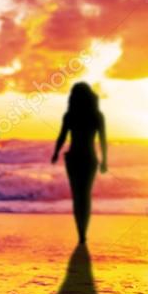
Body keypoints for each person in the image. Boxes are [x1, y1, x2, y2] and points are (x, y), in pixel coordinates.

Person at [50, 82, 107, 244]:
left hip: (73, 158)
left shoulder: (70, 115)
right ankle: (84, 231)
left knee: (77, 196)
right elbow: (102, 140)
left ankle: (80, 231)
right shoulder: (97, 115)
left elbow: (62, 136)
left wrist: (55, 153)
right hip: (89, 158)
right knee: (86, 196)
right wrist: (104, 161)